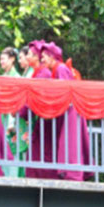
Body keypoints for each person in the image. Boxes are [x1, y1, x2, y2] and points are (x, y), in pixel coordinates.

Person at [40, 41, 93, 181]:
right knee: (69, 141)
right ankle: (70, 171)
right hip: (68, 111)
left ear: (52, 57)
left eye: (44, 57)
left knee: (70, 142)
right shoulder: (57, 69)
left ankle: (72, 173)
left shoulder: (61, 68)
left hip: (71, 110)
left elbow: (65, 91)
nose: (42, 60)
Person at [23, 41, 59, 179]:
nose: (27, 57)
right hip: (41, 118)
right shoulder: (38, 72)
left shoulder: (44, 73)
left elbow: (36, 96)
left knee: (44, 151)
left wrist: (23, 112)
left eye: (30, 54)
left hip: (46, 118)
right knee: (38, 151)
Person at [0, 47, 26, 178]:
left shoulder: (17, 79)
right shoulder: (3, 77)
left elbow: (17, 103)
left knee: (13, 151)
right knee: (3, 149)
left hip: (12, 119)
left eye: (3, 59)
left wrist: (11, 122)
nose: (1, 62)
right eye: (0, 59)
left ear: (12, 59)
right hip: (2, 119)